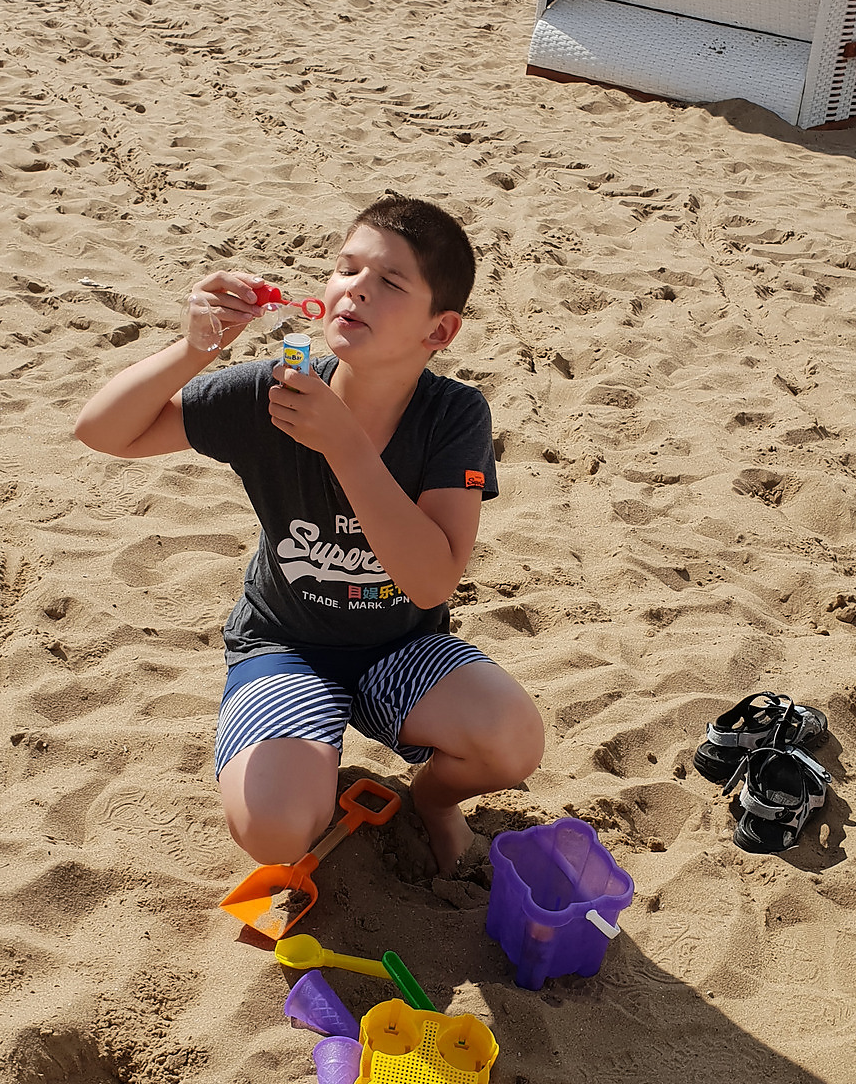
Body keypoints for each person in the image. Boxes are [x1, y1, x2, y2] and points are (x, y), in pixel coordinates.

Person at [73, 195, 544, 876]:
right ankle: (302, 742)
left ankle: (432, 802)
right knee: (275, 829)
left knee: (513, 742)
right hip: (286, 646)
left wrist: (345, 445)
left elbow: (432, 581)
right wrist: (195, 348)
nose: (357, 289)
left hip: (400, 647)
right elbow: (102, 431)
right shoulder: (278, 391)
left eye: (391, 281)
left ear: (439, 331)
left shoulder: (453, 414)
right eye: (348, 269)